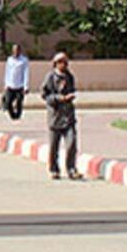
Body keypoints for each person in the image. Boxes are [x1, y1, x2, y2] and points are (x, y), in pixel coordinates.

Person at [42, 52, 84, 181]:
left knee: (72, 143)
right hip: (55, 117)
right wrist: (60, 98)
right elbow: (45, 95)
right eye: (61, 62)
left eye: (66, 62)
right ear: (56, 63)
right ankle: (54, 169)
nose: (64, 65)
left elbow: (72, 90)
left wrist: (70, 97)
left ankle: (71, 168)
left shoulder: (69, 77)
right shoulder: (50, 77)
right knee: (54, 146)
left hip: (68, 116)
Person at [3, 44, 30, 121]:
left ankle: (18, 115)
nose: (16, 52)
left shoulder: (24, 60)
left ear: (20, 51)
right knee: (8, 102)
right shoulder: (9, 60)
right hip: (10, 85)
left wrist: (26, 86)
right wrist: (6, 84)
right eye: (14, 50)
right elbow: (7, 72)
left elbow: (26, 73)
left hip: (20, 85)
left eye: (17, 50)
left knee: (19, 101)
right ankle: (12, 115)